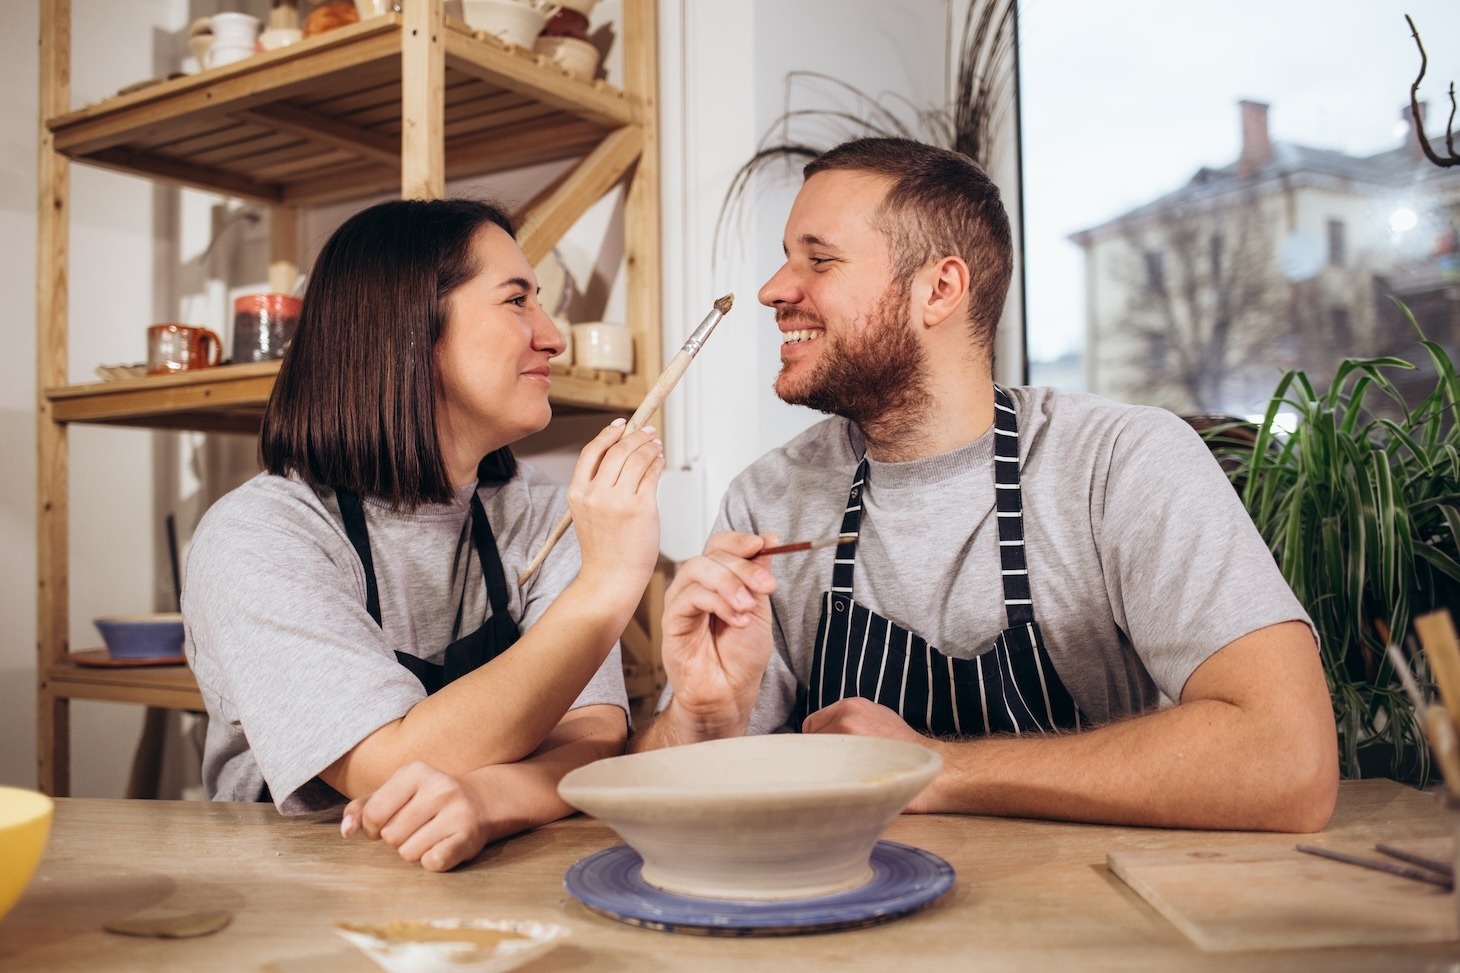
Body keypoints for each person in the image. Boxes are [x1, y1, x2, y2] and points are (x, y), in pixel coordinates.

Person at [634, 137, 1338, 832]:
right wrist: (699, 721)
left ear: (940, 289)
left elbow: (1287, 758)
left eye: (818, 259)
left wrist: (932, 768)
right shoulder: (771, 499)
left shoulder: (1119, 463)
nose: (773, 290)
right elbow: (668, 808)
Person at [184, 198, 664, 871]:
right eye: (517, 300)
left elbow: (594, 727)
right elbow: (386, 764)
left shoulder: (540, 511)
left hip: (508, 874)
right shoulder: (260, 535)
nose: (552, 336)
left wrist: (496, 796)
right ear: (411, 328)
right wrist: (607, 586)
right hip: (303, 896)